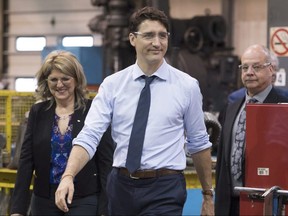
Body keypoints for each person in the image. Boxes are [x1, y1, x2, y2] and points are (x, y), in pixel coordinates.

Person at [55, 6, 214, 216]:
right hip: (120, 186)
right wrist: (68, 175)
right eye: (148, 35)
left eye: (162, 36)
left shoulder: (187, 86)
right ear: (132, 39)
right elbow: (90, 135)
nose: (157, 43)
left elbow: (199, 142)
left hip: (165, 188)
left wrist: (207, 195)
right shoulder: (112, 85)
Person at [10, 50, 114, 216]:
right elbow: (26, 161)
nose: (59, 84)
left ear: (76, 80)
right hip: (44, 199)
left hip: (84, 199)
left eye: (65, 78)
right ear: (46, 82)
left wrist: (105, 209)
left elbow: (106, 162)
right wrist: (18, 209)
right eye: (54, 79)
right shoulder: (38, 112)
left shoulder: (93, 110)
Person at [215, 44, 288, 215]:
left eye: (256, 67)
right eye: (244, 67)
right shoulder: (231, 108)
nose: (249, 72)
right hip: (230, 205)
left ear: (271, 70)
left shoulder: (284, 108)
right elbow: (222, 162)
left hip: (270, 204)